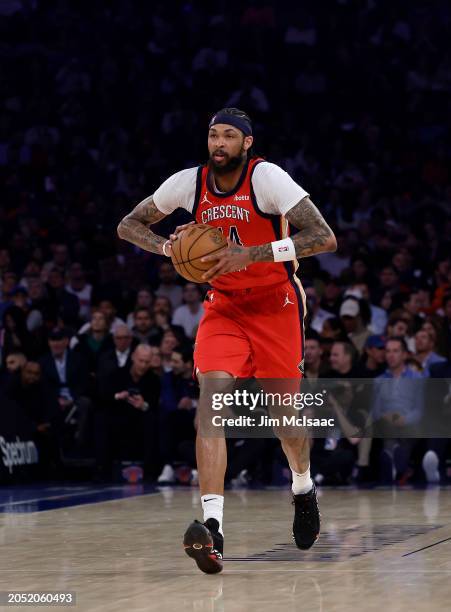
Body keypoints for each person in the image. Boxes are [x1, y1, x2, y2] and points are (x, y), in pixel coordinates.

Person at [117, 107, 336, 574]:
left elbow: (323, 236)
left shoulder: (267, 179)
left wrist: (250, 254)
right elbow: (128, 225)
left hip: (276, 303)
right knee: (210, 405)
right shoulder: (188, 183)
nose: (218, 143)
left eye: (229, 136)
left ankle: (302, 488)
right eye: (213, 135)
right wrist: (167, 247)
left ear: (247, 143)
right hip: (225, 306)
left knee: (286, 422)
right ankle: (213, 528)